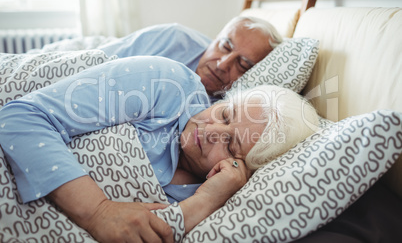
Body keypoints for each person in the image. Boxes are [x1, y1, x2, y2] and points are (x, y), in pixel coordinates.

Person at [0, 56, 318, 242]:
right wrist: (98, 211)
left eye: (231, 144)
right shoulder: (168, 85)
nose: (210, 131)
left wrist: (206, 200)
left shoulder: (218, 195)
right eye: (225, 114)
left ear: (243, 169)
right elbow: (19, 118)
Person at [98, 16, 283, 102]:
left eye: (243, 64)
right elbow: (96, 59)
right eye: (225, 46)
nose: (222, 64)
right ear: (214, 39)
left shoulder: (228, 111)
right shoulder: (173, 38)